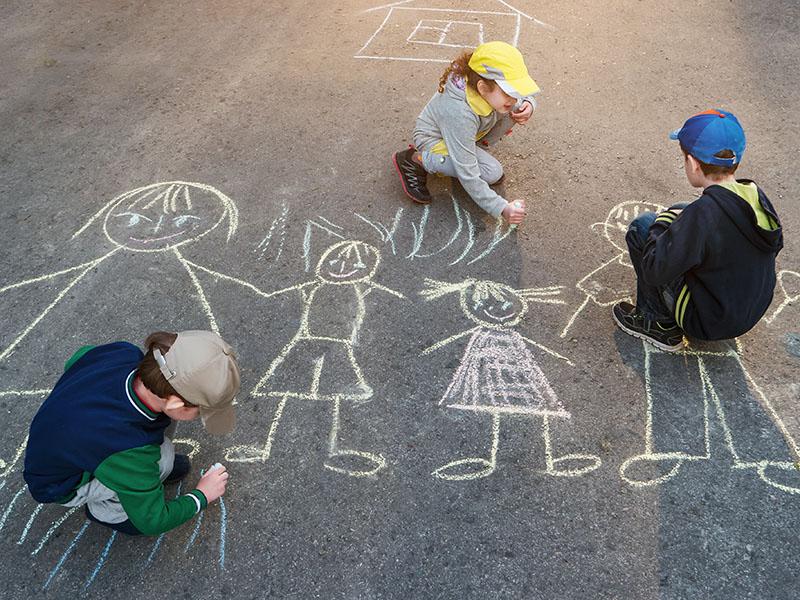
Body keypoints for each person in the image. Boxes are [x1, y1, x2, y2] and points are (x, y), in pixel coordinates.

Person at [23, 330, 240, 536]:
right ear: (175, 404)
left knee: (151, 451)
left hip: (62, 439)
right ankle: (109, 513)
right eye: (200, 411)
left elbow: (77, 358)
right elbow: (153, 521)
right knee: (162, 460)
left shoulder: (122, 353)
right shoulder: (128, 449)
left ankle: (134, 483)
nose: (200, 416)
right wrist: (202, 495)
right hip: (62, 484)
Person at [613, 109, 783, 351]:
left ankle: (657, 324)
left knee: (643, 227)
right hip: (747, 310)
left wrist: (664, 221)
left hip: (706, 321)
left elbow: (654, 270)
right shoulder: (755, 195)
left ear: (692, 163)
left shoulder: (703, 215)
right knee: (683, 211)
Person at [392, 41, 539, 225]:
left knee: (512, 110)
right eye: (509, 92)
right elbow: (468, 175)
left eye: (516, 92)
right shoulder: (459, 113)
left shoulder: (487, 90)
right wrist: (502, 208)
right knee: (491, 172)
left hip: (465, 134)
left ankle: (474, 148)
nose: (515, 98)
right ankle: (416, 160)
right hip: (434, 140)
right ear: (483, 88)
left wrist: (529, 105)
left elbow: (521, 98)